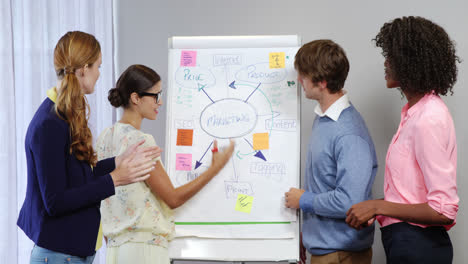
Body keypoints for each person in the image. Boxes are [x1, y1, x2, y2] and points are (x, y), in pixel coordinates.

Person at [17, 31, 161, 264]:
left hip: (69, 254)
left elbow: (77, 178)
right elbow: (55, 201)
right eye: (98, 67)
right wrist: (114, 179)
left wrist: (117, 162)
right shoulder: (50, 124)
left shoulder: (66, 114)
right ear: (84, 68)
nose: (99, 74)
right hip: (59, 255)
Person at [346, 16, 460, 264]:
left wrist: (378, 208)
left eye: (393, 57)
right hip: (406, 243)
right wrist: (374, 205)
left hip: (420, 247)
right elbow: (410, 196)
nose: (386, 63)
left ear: (412, 62)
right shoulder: (414, 113)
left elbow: (443, 209)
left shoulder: (429, 118)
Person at [95, 64, 235, 264]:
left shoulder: (104, 139)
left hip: (115, 250)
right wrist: (214, 169)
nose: (160, 103)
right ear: (136, 98)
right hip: (144, 250)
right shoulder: (140, 141)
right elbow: (173, 198)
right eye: (155, 96)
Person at [285, 40, 378, 264]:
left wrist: (303, 200)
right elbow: (322, 182)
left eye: (304, 76)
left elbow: (350, 202)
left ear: (322, 82)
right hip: (325, 250)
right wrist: (305, 234)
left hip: (341, 255)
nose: (299, 80)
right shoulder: (324, 120)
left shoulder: (349, 133)